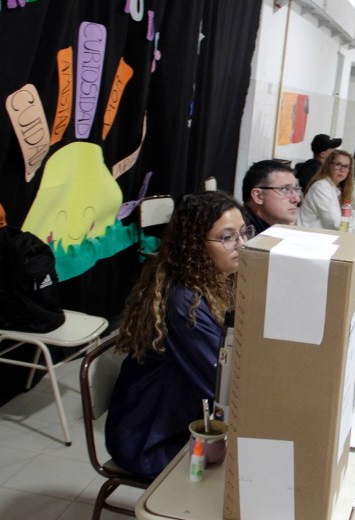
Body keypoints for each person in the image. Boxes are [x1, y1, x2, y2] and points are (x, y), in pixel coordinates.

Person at [105, 191, 253, 479]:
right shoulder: (185, 303)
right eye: (227, 237)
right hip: (153, 441)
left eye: (244, 232)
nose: (242, 244)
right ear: (196, 246)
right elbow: (223, 385)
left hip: (185, 420)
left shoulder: (218, 282)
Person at [297, 149, 355, 230]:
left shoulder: (333, 188)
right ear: (329, 166)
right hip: (308, 237)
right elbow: (336, 223)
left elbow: (342, 213)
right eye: (338, 164)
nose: (342, 170)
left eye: (346, 166)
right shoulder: (321, 187)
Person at [241, 159, 301, 234]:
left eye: (296, 189)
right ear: (258, 196)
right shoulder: (240, 238)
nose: (297, 199)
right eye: (285, 189)